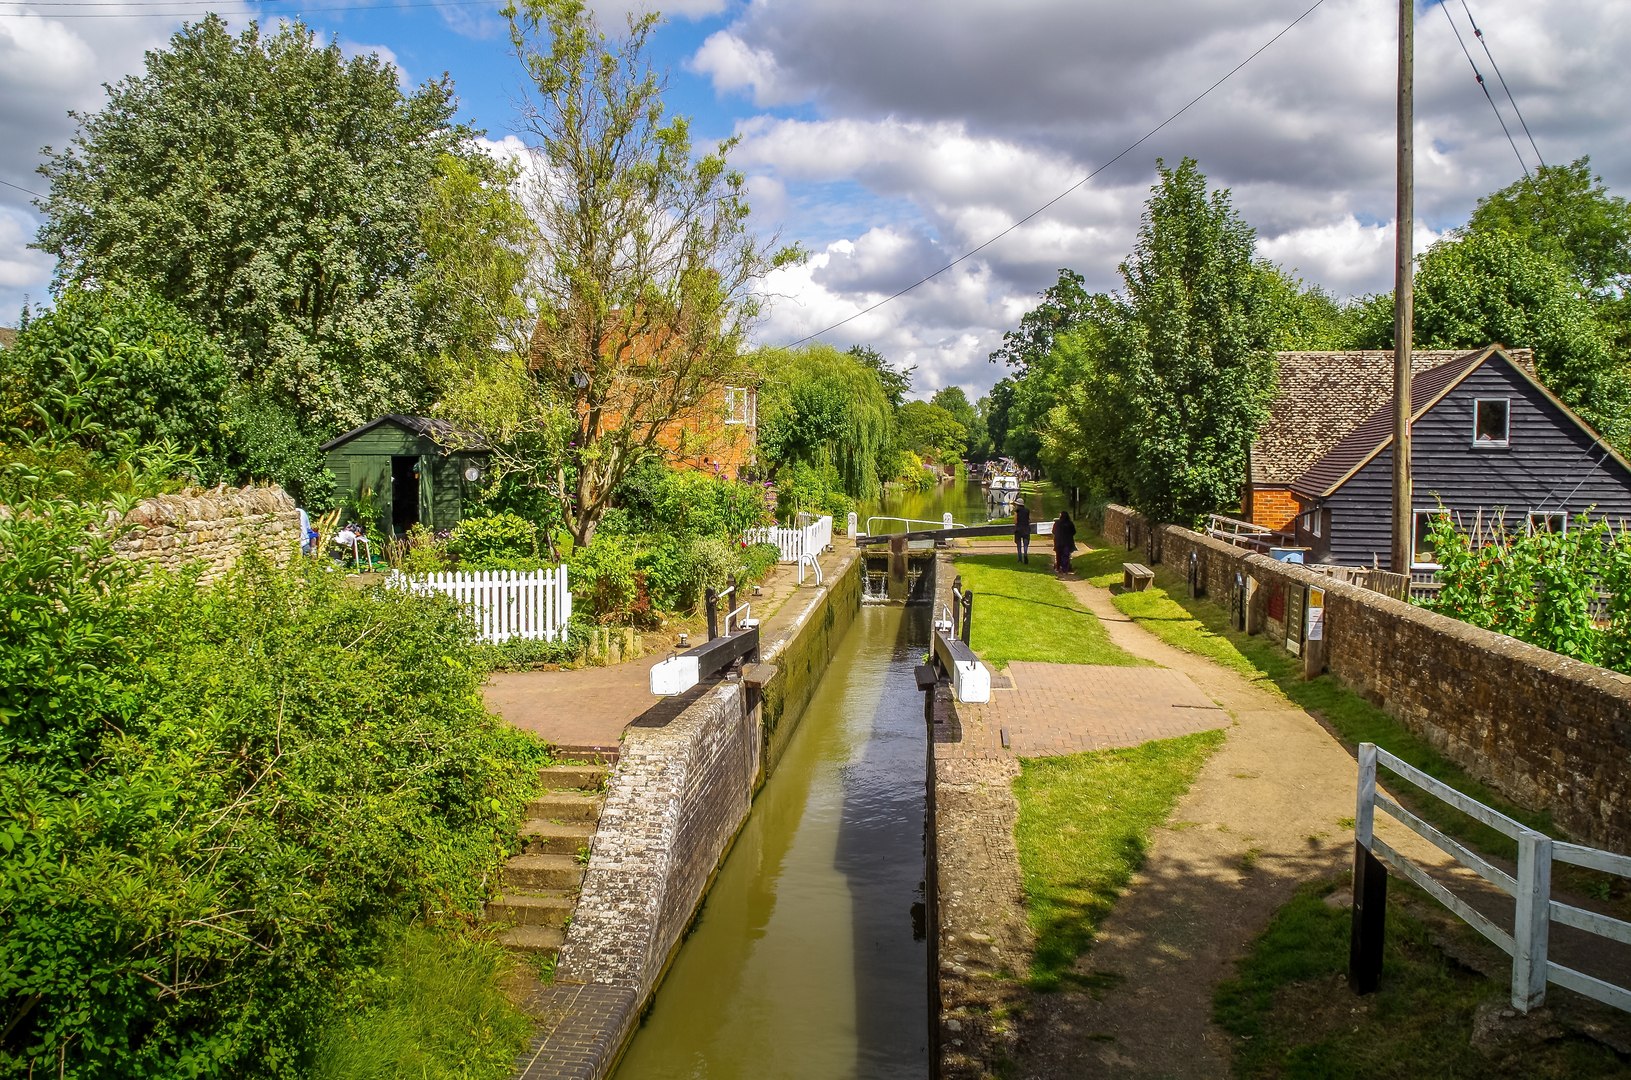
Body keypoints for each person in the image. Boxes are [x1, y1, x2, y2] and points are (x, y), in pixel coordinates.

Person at [1013, 497, 1031, 563]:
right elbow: (1030, 520)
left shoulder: (1017, 511)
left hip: (1019, 529)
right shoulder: (1027, 511)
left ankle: (1020, 559)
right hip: (1026, 528)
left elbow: (1015, 521)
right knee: (1026, 543)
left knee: (1019, 544)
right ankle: (1025, 553)